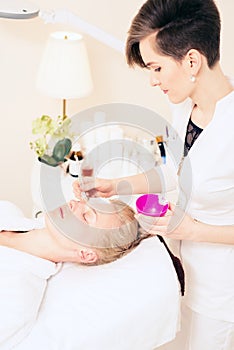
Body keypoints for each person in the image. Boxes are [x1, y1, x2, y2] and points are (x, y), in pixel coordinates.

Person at [73, 0, 234, 349]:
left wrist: (194, 230)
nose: (151, 81)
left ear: (192, 60)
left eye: (157, 68)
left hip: (219, 290)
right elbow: (169, 173)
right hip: (175, 271)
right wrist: (115, 185)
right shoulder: (181, 110)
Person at [0, 198, 151, 265]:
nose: (73, 204)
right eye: (83, 202)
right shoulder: (8, 210)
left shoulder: (15, 288)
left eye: (86, 216)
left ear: (85, 254)